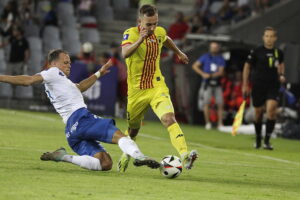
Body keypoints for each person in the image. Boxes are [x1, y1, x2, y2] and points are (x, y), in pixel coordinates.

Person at [0, 49, 161, 171]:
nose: (69, 65)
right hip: (81, 119)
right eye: (65, 62)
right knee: (119, 135)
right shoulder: (52, 72)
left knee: (105, 163)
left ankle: (63, 157)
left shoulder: (63, 82)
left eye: (70, 62)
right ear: (54, 63)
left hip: (71, 131)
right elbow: (28, 80)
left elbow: (80, 87)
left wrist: (99, 73)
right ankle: (140, 157)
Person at [118, 4, 198, 172]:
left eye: (155, 23)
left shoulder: (159, 32)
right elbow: (125, 53)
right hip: (136, 92)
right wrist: (140, 39)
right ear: (140, 22)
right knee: (132, 131)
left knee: (169, 118)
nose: (153, 27)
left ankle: (185, 155)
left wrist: (178, 52)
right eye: (149, 24)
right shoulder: (130, 33)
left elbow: (166, 39)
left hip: (156, 86)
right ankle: (126, 154)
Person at [242, 27, 285, 150]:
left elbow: (281, 66)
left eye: (271, 36)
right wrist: (245, 84)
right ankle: (258, 139)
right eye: (267, 36)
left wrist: (281, 75)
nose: (269, 38)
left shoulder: (279, 52)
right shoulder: (256, 51)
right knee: (258, 113)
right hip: (258, 85)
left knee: (271, 110)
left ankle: (267, 140)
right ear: (263, 37)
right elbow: (247, 67)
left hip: (273, 85)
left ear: (275, 38)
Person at [192, 42, 225, 130]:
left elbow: (221, 72)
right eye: (212, 47)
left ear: (218, 48)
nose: (214, 49)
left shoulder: (220, 58)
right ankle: (208, 123)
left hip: (217, 83)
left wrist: (211, 75)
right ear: (210, 48)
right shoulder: (205, 56)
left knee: (220, 103)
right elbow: (195, 66)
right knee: (206, 103)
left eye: (216, 47)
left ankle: (220, 124)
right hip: (206, 83)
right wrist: (203, 74)